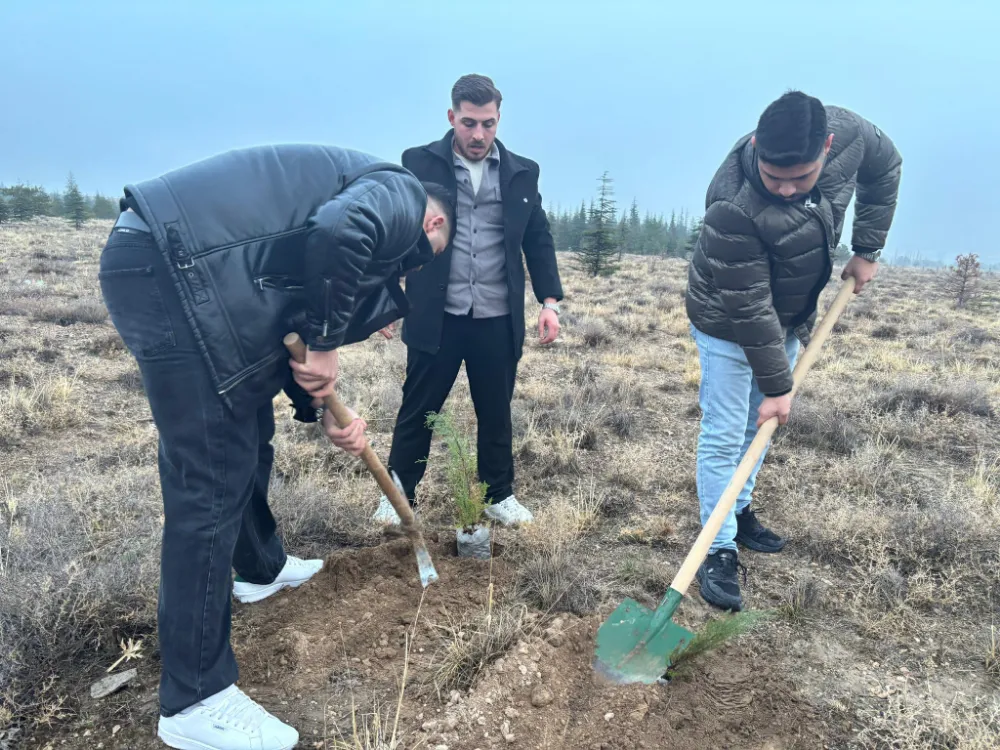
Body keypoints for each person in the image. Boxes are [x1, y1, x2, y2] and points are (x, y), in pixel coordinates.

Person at [98, 144, 453, 750]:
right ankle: (195, 698)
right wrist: (326, 344)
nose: (408, 269)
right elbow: (344, 232)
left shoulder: (347, 188)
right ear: (433, 225)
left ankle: (259, 568)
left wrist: (324, 410)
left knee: (245, 424)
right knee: (210, 477)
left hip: (183, 273)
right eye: (419, 259)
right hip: (173, 268)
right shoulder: (402, 193)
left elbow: (289, 307)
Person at [685, 91, 902, 611]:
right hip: (728, 320)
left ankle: (737, 512)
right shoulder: (732, 205)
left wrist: (868, 248)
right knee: (725, 431)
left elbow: (886, 166)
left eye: (800, 178)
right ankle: (716, 547)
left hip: (789, 315)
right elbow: (748, 305)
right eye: (773, 174)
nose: (784, 188)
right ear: (757, 145)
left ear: (827, 147)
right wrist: (779, 387)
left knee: (753, 430)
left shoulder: (850, 135)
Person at [374, 74, 564, 527]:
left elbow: (537, 239)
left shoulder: (523, 172)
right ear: (451, 117)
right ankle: (399, 494)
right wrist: (384, 293)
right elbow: (397, 230)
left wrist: (550, 302)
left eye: (488, 124)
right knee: (418, 410)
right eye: (469, 123)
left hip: (497, 318)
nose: (478, 135)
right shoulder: (418, 164)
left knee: (495, 412)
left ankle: (498, 495)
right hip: (435, 316)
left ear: (499, 119)